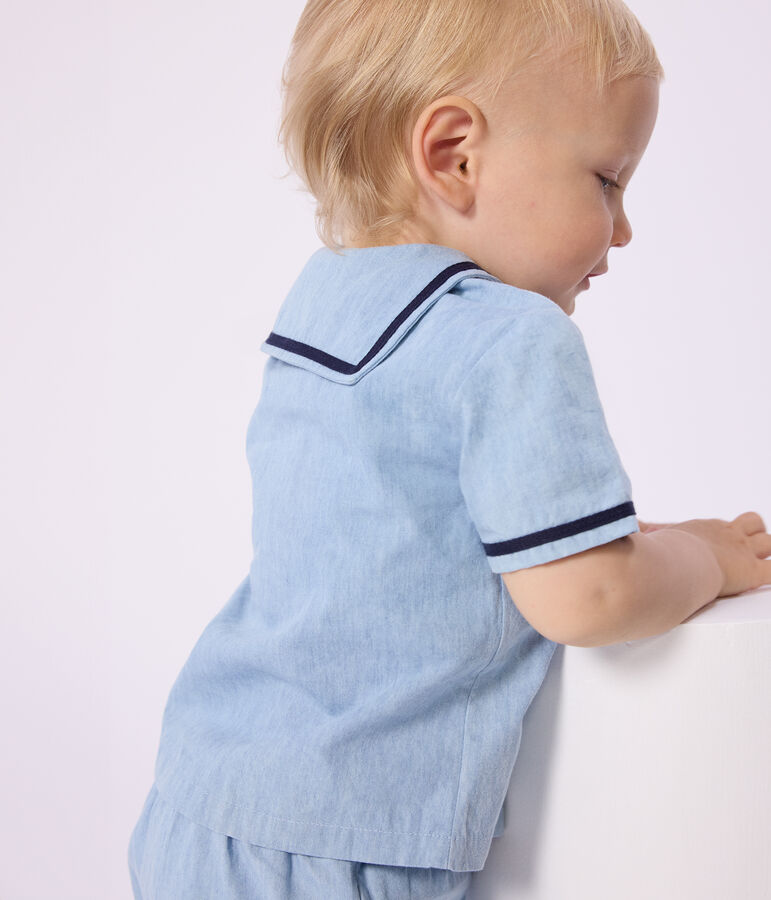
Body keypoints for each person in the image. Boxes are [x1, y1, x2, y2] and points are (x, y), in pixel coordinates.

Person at [128, 1, 771, 897]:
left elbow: (414, 531)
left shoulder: (324, 298)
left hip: (199, 801)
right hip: (346, 838)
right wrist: (703, 557)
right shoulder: (510, 335)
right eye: (608, 180)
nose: (622, 230)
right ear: (454, 155)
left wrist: (605, 535)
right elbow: (586, 598)